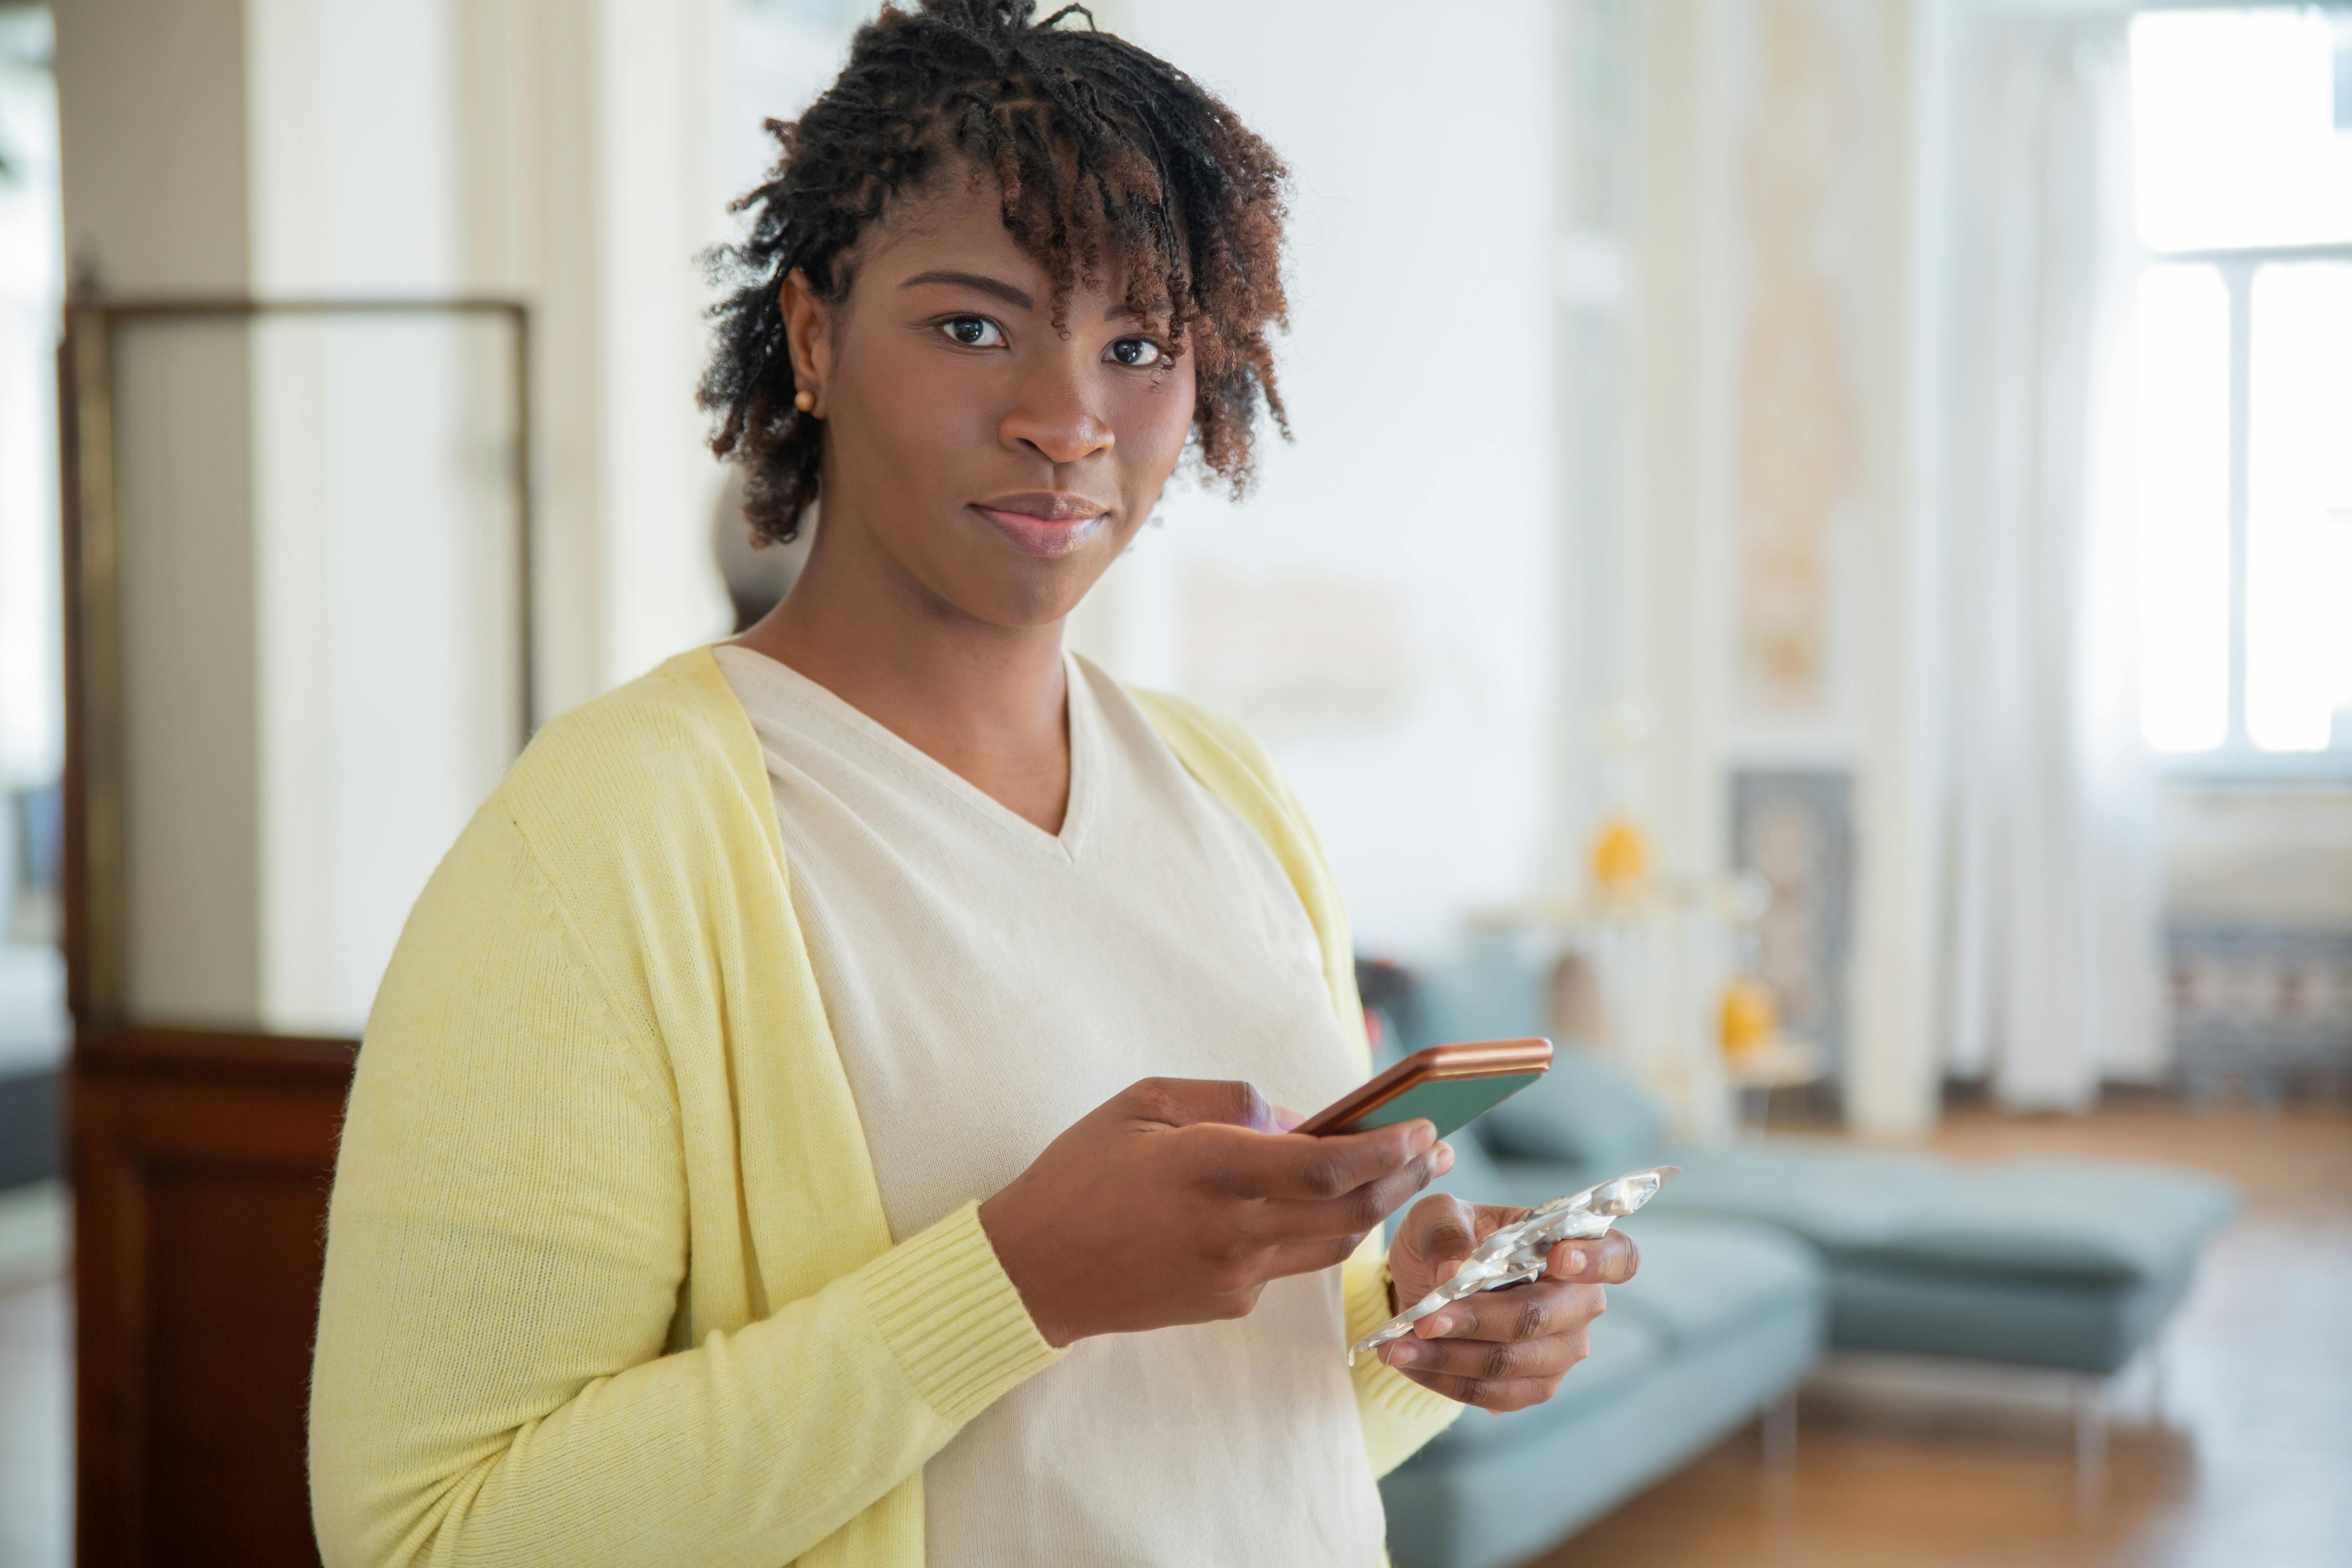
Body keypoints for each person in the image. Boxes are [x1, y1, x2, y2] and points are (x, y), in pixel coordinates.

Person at [308, 4, 1638, 1565]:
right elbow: (429, 1533)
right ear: (811, 334)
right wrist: (1010, 1284)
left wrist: (1425, 1336)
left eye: (1137, 346)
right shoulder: (609, 839)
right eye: (970, 326)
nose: (1066, 420)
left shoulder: (1232, 793)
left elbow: (1213, 1428)